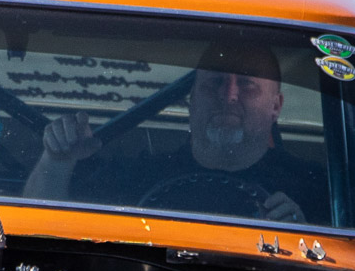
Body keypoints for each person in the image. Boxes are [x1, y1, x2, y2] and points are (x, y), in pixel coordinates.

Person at [23, 41, 330, 225]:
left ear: (276, 106)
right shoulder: (135, 178)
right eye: (215, 83)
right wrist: (57, 161)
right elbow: (45, 227)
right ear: (191, 100)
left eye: (247, 84)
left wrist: (305, 241)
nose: (229, 95)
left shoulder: (317, 193)